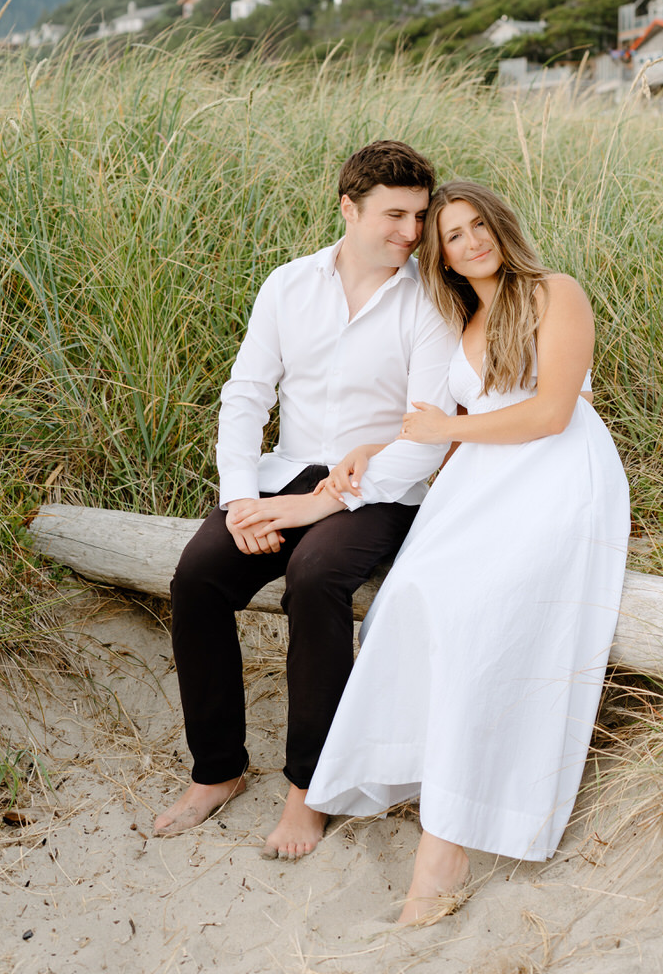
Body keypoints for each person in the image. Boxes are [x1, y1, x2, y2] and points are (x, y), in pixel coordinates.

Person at [304, 180, 630, 923]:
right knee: (409, 600)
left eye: (479, 224)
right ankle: (429, 772)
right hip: (477, 485)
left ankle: (443, 854)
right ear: (440, 256)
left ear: (501, 226)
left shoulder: (554, 293)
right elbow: (442, 424)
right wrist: (370, 449)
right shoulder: (462, 319)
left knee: (484, 615)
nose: (471, 240)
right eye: (453, 234)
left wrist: (444, 433)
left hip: (555, 475)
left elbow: (549, 413)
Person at [154, 141, 456, 858]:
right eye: (394, 215)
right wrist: (238, 502)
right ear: (349, 209)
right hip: (283, 470)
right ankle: (218, 771)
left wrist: (317, 509)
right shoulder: (288, 284)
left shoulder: (429, 301)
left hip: (381, 486)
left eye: (419, 215)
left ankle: (308, 788)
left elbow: (427, 435)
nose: (411, 233)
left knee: (315, 580)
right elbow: (245, 396)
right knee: (197, 578)